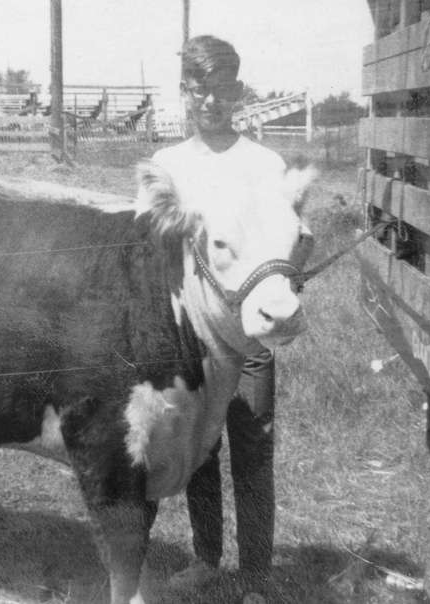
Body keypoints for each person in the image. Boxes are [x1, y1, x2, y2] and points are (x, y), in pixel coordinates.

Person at [148, 35, 312, 599]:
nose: (210, 102)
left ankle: (258, 574)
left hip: (251, 338)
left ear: (238, 91)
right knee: (199, 448)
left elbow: (294, 241)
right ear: (184, 93)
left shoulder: (264, 163)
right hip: (191, 336)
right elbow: (148, 250)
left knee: (252, 445)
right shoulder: (167, 164)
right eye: (199, 90)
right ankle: (206, 556)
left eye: (221, 90)